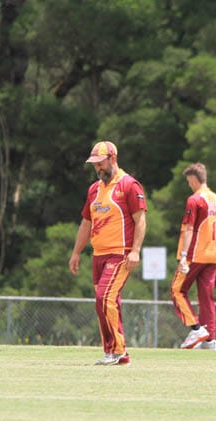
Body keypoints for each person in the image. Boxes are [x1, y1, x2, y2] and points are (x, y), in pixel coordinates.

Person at [68, 141, 147, 366]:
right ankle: (118, 353)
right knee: (106, 303)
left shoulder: (129, 185)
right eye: (94, 164)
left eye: (100, 163)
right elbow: (86, 223)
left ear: (113, 158)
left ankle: (116, 351)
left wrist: (135, 251)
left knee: (105, 298)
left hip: (120, 254)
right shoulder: (94, 189)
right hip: (98, 254)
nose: (97, 168)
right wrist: (76, 253)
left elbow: (140, 220)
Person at [170, 163, 216, 350]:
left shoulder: (194, 200)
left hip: (194, 254)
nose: (189, 184)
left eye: (188, 181)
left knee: (177, 290)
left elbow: (189, 228)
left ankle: (196, 328)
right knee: (206, 297)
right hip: (212, 255)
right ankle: (210, 340)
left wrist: (183, 255)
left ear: (194, 179)